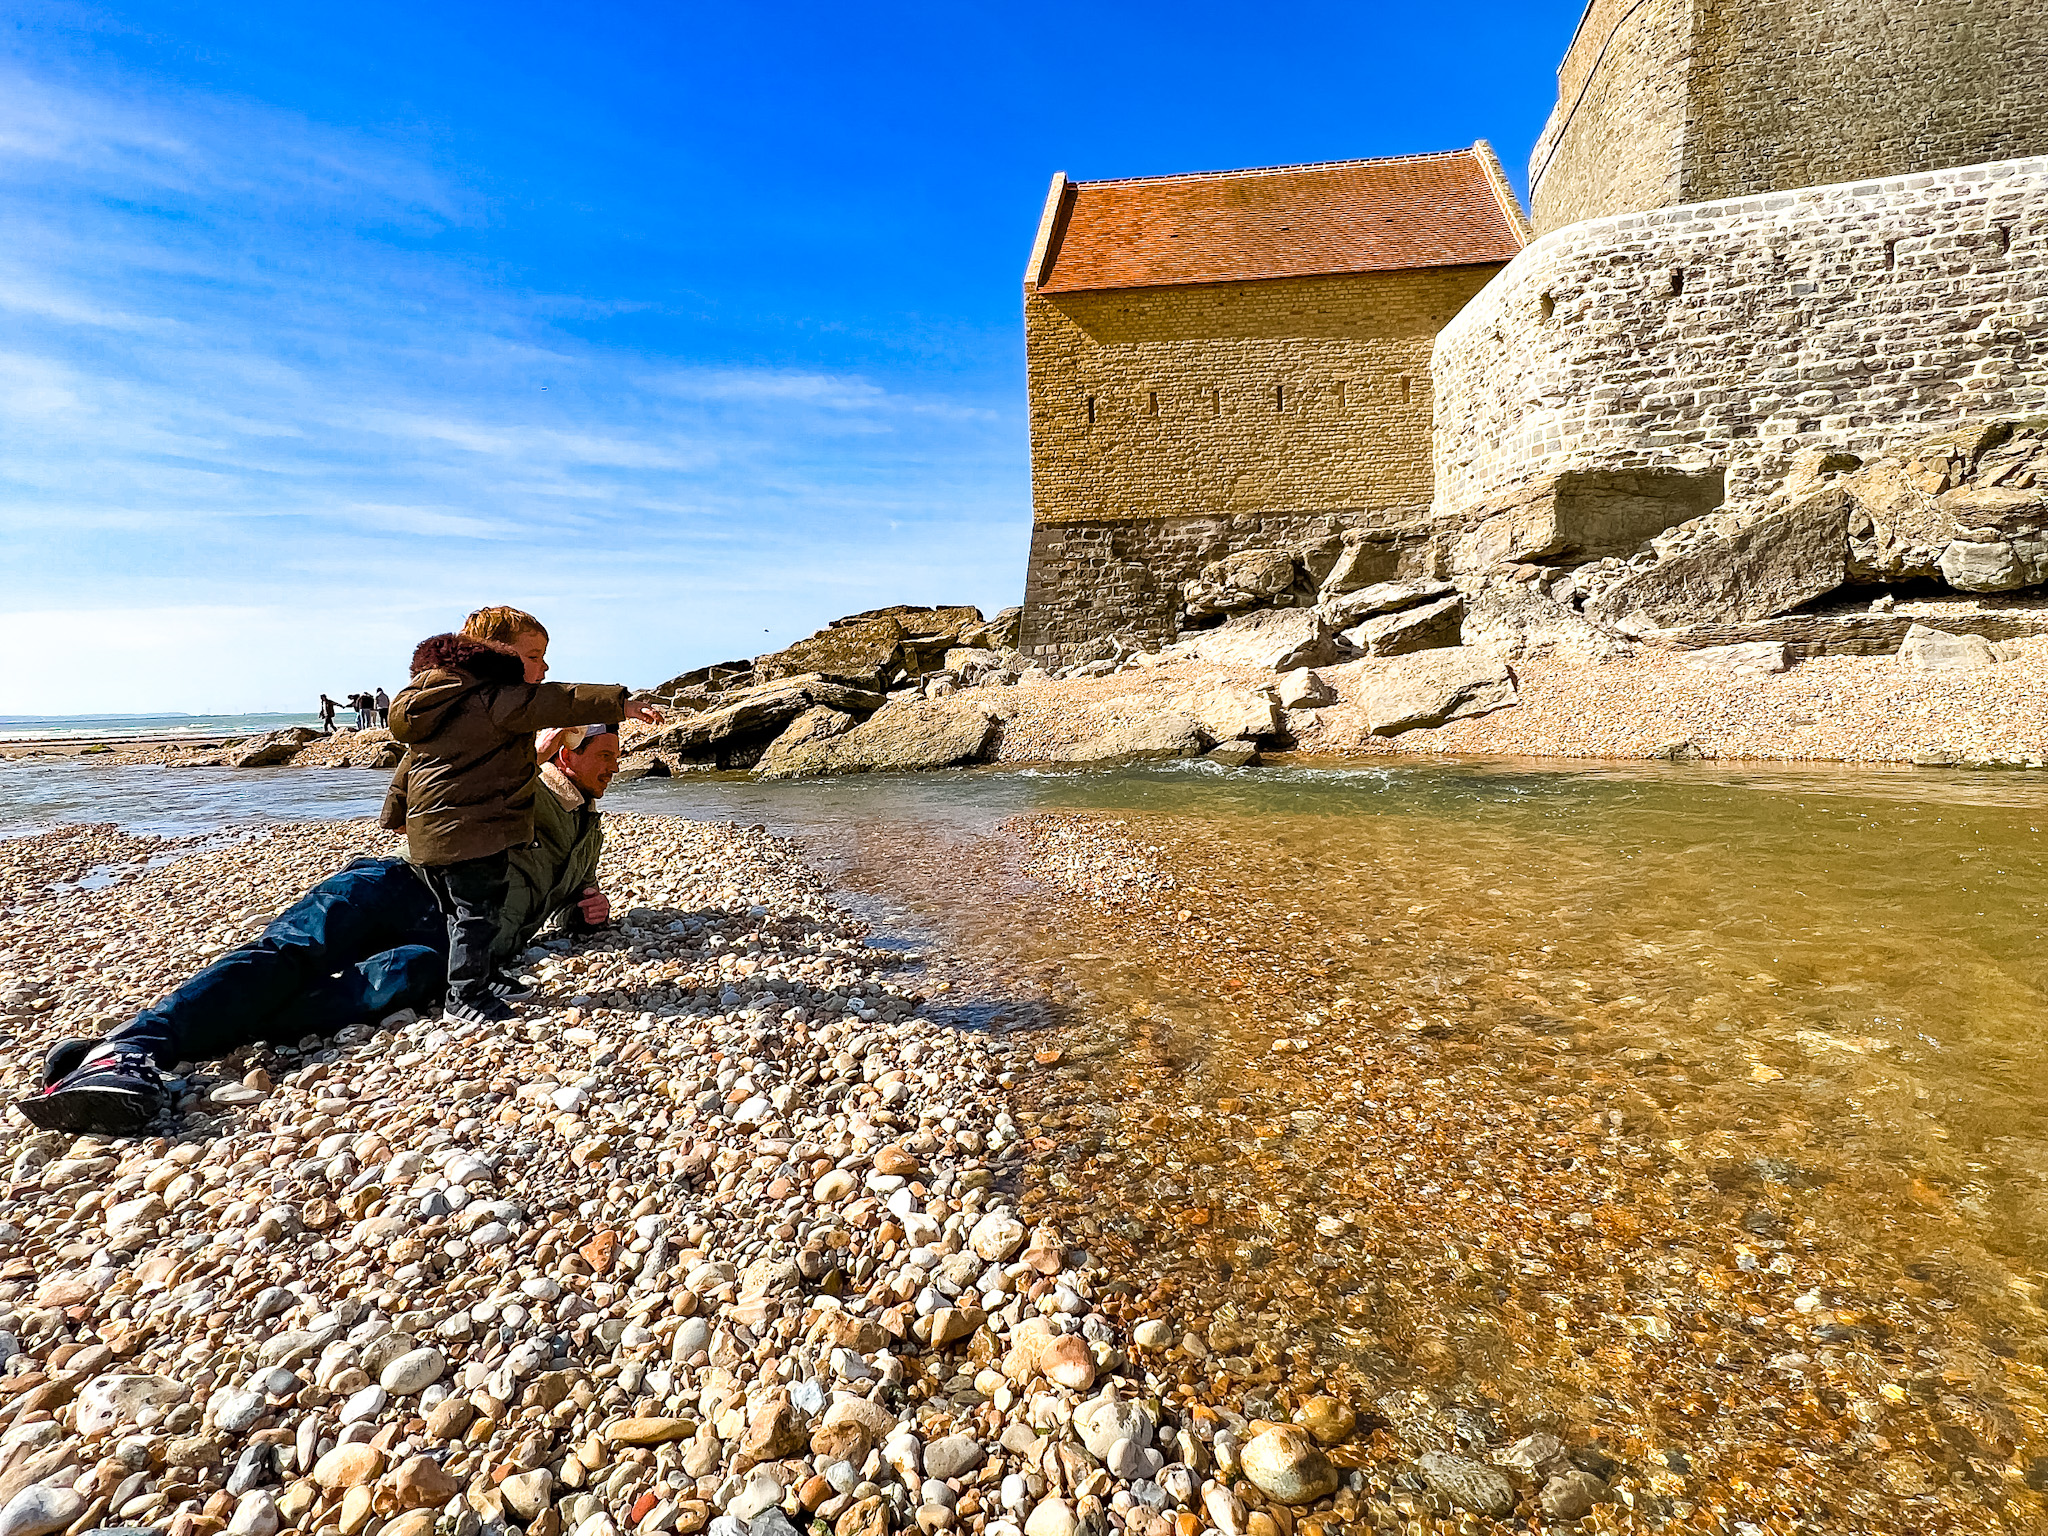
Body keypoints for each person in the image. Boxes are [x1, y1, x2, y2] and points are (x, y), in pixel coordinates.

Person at [15, 724, 629, 1135]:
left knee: (397, 979)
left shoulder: (588, 833)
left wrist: (581, 912)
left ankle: (164, 1042)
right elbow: (464, 747)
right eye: (604, 755)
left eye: (616, 759)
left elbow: (561, 897)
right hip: (401, 885)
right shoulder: (514, 782)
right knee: (290, 953)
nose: (613, 767)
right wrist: (565, 725)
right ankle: (132, 1049)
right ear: (564, 753)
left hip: (456, 942)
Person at [388, 607, 655, 1028]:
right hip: (464, 837)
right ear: (497, 653)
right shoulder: (497, 697)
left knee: (462, 914)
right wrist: (621, 702)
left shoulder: (442, 699)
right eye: (534, 656)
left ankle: (481, 977)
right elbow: (559, 700)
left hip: (434, 837)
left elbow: (415, 765)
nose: (545, 667)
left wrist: (397, 815)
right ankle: (465, 995)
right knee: (475, 913)